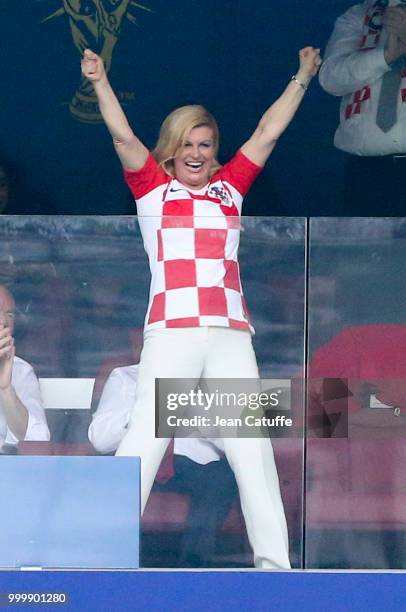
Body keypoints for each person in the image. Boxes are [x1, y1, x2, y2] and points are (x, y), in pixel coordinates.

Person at [81, 45, 321, 569]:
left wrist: (302, 76)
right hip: (172, 330)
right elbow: (122, 137)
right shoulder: (152, 190)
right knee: (146, 435)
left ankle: (275, 569)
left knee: (252, 447)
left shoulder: (229, 190)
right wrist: (100, 82)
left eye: (205, 144)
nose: (196, 152)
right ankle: (98, 557)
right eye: (187, 143)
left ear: (215, 150)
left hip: (232, 334)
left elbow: (267, 132)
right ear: (172, 147)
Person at [89, 364, 239, 567]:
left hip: (197, 466)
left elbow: (235, 444)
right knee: (110, 475)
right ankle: (116, 566)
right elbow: (100, 440)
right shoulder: (126, 376)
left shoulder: (214, 380)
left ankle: (193, 568)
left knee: (223, 478)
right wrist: (143, 410)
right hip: (138, 462)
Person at [319, 1, 406, 215]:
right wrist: (385, 56)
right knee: (364, 246)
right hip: (366, 172)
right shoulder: (361, 14)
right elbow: (330, 78)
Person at [0, 285, 50, 448]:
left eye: (9, 314)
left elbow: (38, 439)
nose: (3, 322)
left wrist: (6, 390)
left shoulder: (20, 371)